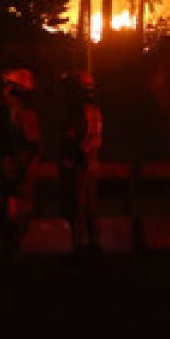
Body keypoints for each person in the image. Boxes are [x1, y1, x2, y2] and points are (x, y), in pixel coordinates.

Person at [0, 67, 42, 260]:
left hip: (15, 178)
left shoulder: (24, 116)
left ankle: (9, 248)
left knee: (13, 215)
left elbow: (32, 146)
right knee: (0, 213)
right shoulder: (1, 114)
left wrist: (19, 165)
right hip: (4, 176)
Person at [59, 69, 103, 254]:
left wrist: (70, 157)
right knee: (88, 204)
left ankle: (82, 241)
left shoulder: (79, 112)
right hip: (90, 163)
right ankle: (91, 239)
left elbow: (73, 138)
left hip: (81, 165)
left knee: (80, 204)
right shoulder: (94, 111)